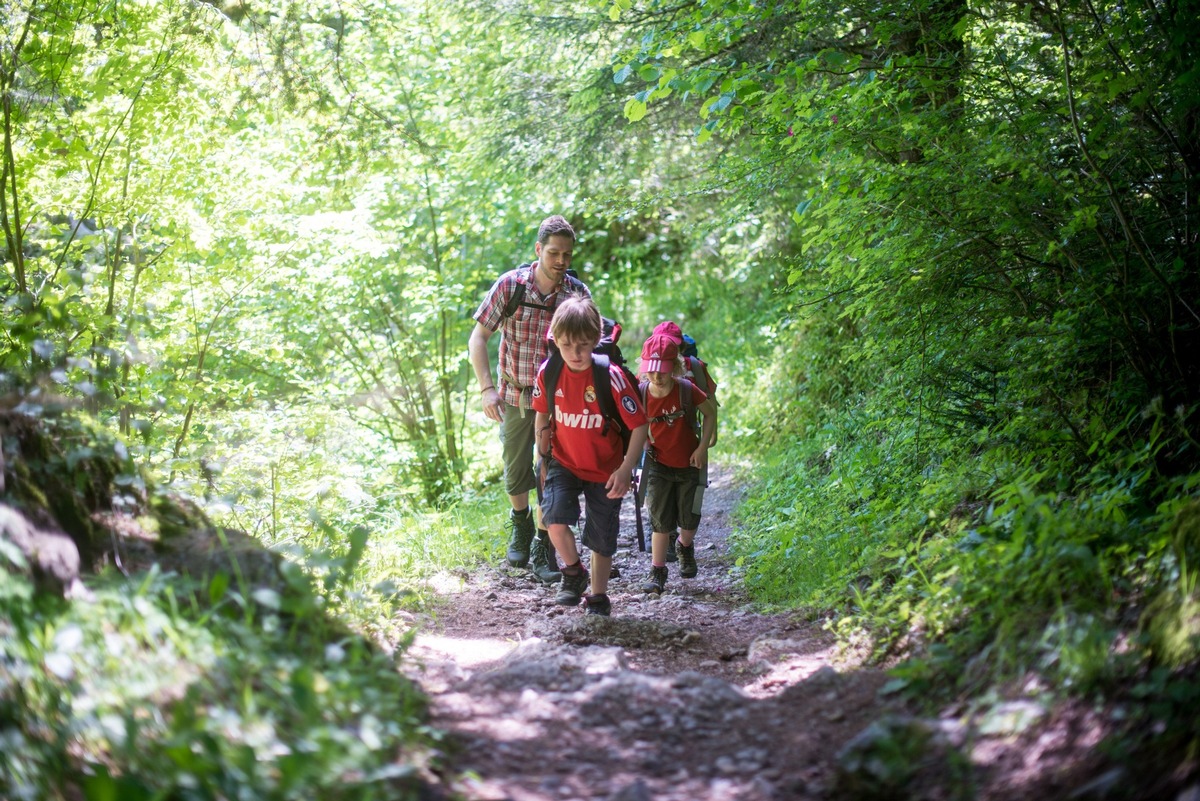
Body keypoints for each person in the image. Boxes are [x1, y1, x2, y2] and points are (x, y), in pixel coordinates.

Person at [468, 215, 589, 584]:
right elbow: (478, 339)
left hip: (559, 403)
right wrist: (487, 389)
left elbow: (590, 349)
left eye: (567, 254)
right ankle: (520, 523)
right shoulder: (510, 287)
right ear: (538, 250)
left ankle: (542, 542)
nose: (561, 261)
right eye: (553, 253)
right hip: (516, 397)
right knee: (516, 469)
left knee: (551, 473)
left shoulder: (575, 294)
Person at [532, 295, 648, 616]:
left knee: (601, 538)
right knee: (552, 518)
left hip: (606, 470)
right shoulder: (549, 371)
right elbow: (542, 415)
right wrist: (541, 455)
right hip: (564, 463)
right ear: (556, 340)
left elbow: (639, 426)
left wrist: (626, 468)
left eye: (583, 344)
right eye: (567, 345)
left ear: (596, 339)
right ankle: (573, 572)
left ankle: (598, 596)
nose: (576, 353)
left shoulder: (609, 376)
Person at [636, 332, 718, 594]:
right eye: (652, 370)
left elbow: (710, 412)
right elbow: (631, 427)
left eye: (663, 371)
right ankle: (657, 571)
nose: (657, 377)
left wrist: (702, 447)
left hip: (689, 465)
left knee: (690, 518)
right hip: (657, 465)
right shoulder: (641, 394)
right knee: (660, 521)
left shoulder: (686, 389)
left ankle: (684, 545)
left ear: (676, 367)